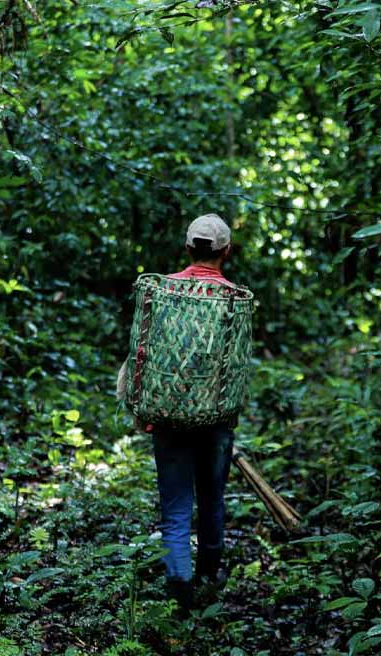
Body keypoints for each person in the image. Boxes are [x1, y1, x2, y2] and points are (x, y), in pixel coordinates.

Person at [139, 213, 238, 611]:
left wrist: (144, 407)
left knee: (176, 507)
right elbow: (236, 367)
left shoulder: (164, 291)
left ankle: (179, 585)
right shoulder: (235, 300)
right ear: (226, 251)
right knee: (212, 499)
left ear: (187, 248)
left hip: (169, 415)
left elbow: (142, 351)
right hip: (216, 419)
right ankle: (210, 576)